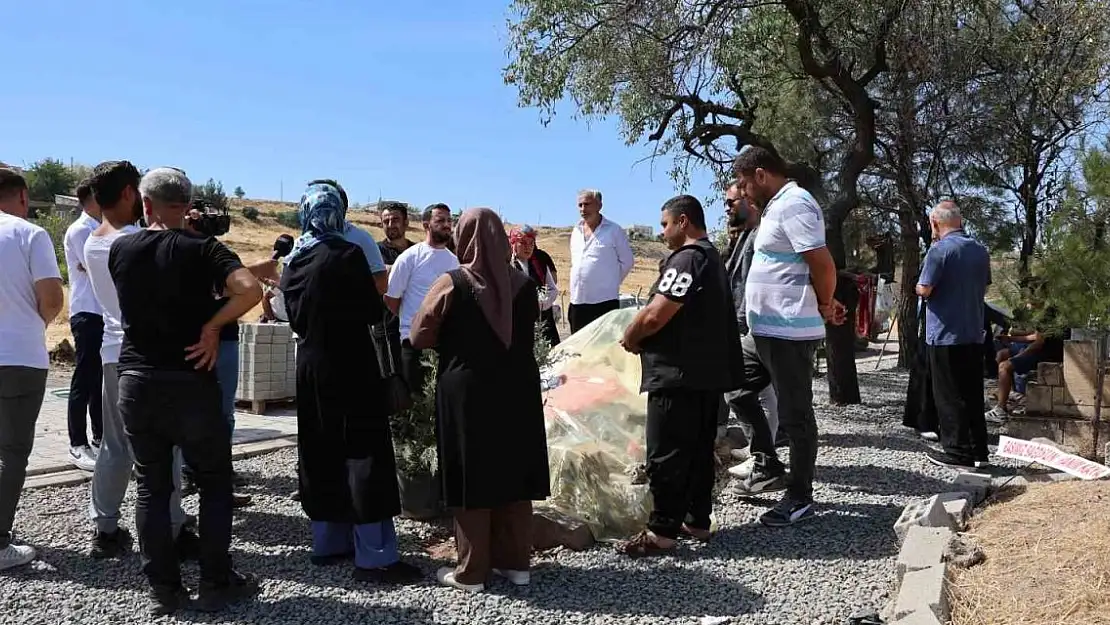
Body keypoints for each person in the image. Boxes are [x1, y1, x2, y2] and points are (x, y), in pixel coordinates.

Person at [110, 166, 262, 614]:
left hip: (137, 379)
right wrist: (213, 326)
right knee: (214, 484)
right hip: (191, 380)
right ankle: (215, 582)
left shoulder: (121, 249)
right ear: (188, 206)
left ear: (145, 204)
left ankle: (164, 590)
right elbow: (249, 289)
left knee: (152, 488)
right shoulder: (203, 249)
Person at [280, 182, 422, 585]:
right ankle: (374, 555)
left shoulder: (294, 261)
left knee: (320, 449)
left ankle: (328, 542)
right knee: (364, 453)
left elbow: (292, 318)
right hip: (351, 364)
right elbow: (370, 311)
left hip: (310, 366)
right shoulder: (347, 254)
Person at [410, 207, 550, 591]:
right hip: (517, 390)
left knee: (470, 473)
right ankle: (516, 564)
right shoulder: (523, 286)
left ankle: (471, 572)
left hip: (468, 391)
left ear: (465, 238)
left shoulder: (452, 283)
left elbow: (419, 335)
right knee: (514, 469)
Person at [83, 162, 199, 560]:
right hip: (149, 357)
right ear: (131, 193)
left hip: (112, 355)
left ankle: (105, 528)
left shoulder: (94, 241)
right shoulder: (132, 242)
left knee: (113, 447)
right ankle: (171, 526)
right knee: (164, 448)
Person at [615, 195, 743, 556]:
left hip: (677, 375)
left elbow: (657, 313)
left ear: (683, 221)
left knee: (666, 453)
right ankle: (696, 521)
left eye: (665, 224)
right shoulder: (712, 258)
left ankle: (661, 532)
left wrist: (631, 336)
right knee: (699, 451)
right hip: (705, 376)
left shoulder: (687, 258)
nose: (662, 232)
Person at [735, 146, 846, 527]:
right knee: (735, 383)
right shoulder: (776, 207)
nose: (743, 192)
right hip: (762, 330)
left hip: (788, 332)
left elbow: (822, 261)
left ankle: (799, 496)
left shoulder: (796, 203)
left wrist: (827, 303)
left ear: (761, 175)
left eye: (745, 183)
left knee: (796, 415)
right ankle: (767, 462)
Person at [0, 167, 64, 570]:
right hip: (19, 356)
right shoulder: (28, 234)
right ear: (23, 196)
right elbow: (52, 298)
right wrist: (32, 323)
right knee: (11, 451)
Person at [916, 200, 992, 469]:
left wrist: (918, 287)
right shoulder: (980, 251)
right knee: (972, 393)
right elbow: (983, 287)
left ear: (935, 223)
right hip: (973, 331)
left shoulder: (938, 251)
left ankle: (957, 452)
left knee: (948, 395)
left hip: (945, 334)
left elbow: (925, 288)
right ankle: (978, 449)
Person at [719, 184, 784, 493]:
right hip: (746, 324)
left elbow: (754, 285)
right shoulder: (746, 233)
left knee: (759, 393)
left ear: (748, 200)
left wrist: (742, 321)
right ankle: (764, 460)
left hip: (756, 325)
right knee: (745, 390)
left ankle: (772, 468)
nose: (726, 207)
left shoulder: (762, 235)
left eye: (731, 201)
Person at [384, 203, 459, 395]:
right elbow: (392, 299)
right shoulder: (410, 257)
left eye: (449, 221)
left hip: (444, 345)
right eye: (440, 220)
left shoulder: (454, 261)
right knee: (415, 408)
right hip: (413, 343)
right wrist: (414, 319)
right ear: (426, 225)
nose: (446, 225)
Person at [63, 181, 104, 472]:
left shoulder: (101, 228)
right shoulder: (81, 230)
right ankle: (77, 443)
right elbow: (98, 268)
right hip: (87, 312)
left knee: (99, 381)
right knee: (84, 378)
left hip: (102, 313)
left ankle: (100, 437)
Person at [987, 294, 1068, 422]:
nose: (1027, 302)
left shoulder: (1048, 314)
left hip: (1047, 354)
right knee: (1002, 354)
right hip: (1040, 348)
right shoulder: (1043, 313)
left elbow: (1038, 343)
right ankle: (1009, 393)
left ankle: (1001, 409)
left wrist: (1019, 356)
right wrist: (1011, 339)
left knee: (1005, 366)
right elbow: (1037, 336)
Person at [568, 189, 634, 333]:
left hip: (604, 303)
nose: (583, 209)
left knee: (602, 350)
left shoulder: (614, 231)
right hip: (577, 302)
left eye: (587, 204)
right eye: (580, 205)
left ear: (599, 205)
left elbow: (627, 261)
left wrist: (609, 282)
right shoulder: (575, 231)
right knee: (577, 350)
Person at [510, 225, 560, 347]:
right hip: (517, 324)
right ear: (513, 243)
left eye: (531, 243)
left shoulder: (540, 263)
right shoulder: (507, 265)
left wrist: (543, 303)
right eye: (523, 243)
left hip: (542, 321)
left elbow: (553, 289)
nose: (528, 247)